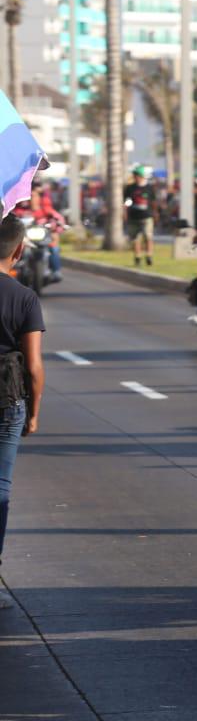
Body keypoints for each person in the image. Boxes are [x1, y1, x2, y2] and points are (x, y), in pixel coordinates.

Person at [0, 216, 44, 605]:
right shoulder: (24, 297)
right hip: (7, 400)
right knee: (0, 488)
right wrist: (33, 412)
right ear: (18, 251)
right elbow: (33, 367)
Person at [124, 166, 156, 267]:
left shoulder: (149, 188)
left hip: (146, 216)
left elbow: (153, 202)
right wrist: (125, 212)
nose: (135, 177)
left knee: (148, 236)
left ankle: (149, 256)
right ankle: (137, 257)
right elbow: (126, 201)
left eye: (137, 175)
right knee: (135, 238)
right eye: (134, 175)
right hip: (133, 217)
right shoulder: (130, 188)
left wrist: (155, 213)